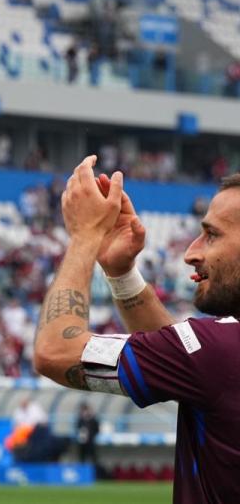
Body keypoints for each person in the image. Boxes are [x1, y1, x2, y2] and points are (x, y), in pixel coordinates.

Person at [34, 156, 240, 503]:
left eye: (211, 235)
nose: (191, 253)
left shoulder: (220, 351)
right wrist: (122, 274)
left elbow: (54, 351)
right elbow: (193, 368)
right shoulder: (216, 357)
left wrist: (85, 237)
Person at [75, 402, 101, 473]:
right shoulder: (80, 420)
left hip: (91, 442)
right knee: (82, 458)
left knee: (93, 458)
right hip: (82, 442)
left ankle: (96, 473)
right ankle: (82, 473)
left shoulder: (93, 420)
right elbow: (77, 428)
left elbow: (97, 429)